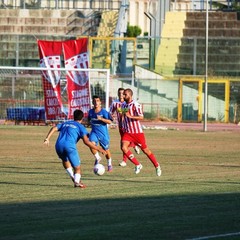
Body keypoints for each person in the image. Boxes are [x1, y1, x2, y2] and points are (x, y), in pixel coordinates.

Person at [43, 109, 106, 188]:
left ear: (74, 116)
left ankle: (73, 177)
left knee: (65, 160)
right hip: (69, 146)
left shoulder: (66, 123)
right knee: (77, 168)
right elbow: (86, 142)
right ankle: (76, 182)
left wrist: (47, 138)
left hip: (58, 145)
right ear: (82, 118)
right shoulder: (80, 127)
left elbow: (54, 128)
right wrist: (99, 149)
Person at [120, 88, 162, 176]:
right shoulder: (123, 105)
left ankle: (157, 165)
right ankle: (138, 164)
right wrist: (122, 123)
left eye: (125, 94)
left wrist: (131, 116)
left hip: (137, 133)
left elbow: (141, 117)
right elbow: (123, 115)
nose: (123, 96)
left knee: (146, 150)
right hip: (128, 132)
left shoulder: (136, 105)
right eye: (123, 94)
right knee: (123, 147)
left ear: (130, 95)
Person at [109, 87, 140, 167]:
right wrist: (111, 116)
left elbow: (124, 113)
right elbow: (110, 112)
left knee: (123, 144)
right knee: (124, 144)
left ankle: (124, 160)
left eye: (123, 93)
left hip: (128, 125)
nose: (121, 95)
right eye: (119, 93)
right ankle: (134, 144)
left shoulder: (126, 104)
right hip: (120, 126)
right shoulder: (115, 103)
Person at [88, 95, 113, 171]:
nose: (96, 102)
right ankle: (98, 158)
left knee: (106, 150)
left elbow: (110, 121)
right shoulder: (90, 112)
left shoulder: (104, 112)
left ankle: (109, 163)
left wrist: (101, 119)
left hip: (103, 134)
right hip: (94, 132)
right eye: (94, 101)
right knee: (91, 144)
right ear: (92, 102)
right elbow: (88, 120)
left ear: (100, 102)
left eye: (97, 101)